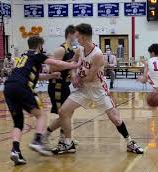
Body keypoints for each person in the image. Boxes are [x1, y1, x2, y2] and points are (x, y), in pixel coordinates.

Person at [45, 23, 144, 155]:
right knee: (63, 111)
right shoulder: (79, 49)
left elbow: (91, 77)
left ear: (84, 37)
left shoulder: (97, 54)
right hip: (84, 89)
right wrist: (73, 75)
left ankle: (130, 142)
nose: (76, 38)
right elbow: (73, 65)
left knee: (115, 118)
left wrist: (76, 79)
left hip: (98, 89)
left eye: (78, 35)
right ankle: (68, 143)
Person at [4, 36, 81, 165]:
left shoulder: (22, 57)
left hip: (8, 88)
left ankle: (15, 150)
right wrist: (75, 64)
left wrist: (50, 75)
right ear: (40, 46)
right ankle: (38, 140)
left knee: (18, 123)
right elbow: (56, 63)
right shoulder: (36, 54)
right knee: (41, 114)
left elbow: (34, 76)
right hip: (22, 87)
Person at [47, 25, 80, 148]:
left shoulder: (72, 50)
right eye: (76, 35)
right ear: (70, 34)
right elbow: (52, 68)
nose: (77, 37)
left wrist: (75, 78)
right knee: (64, 114)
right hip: (57, 86)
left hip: (65, 85)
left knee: (68, 113)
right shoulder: (61, 49)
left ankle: (64, 137)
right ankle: (44, 137)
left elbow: (70, 70)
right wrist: (70, 64)